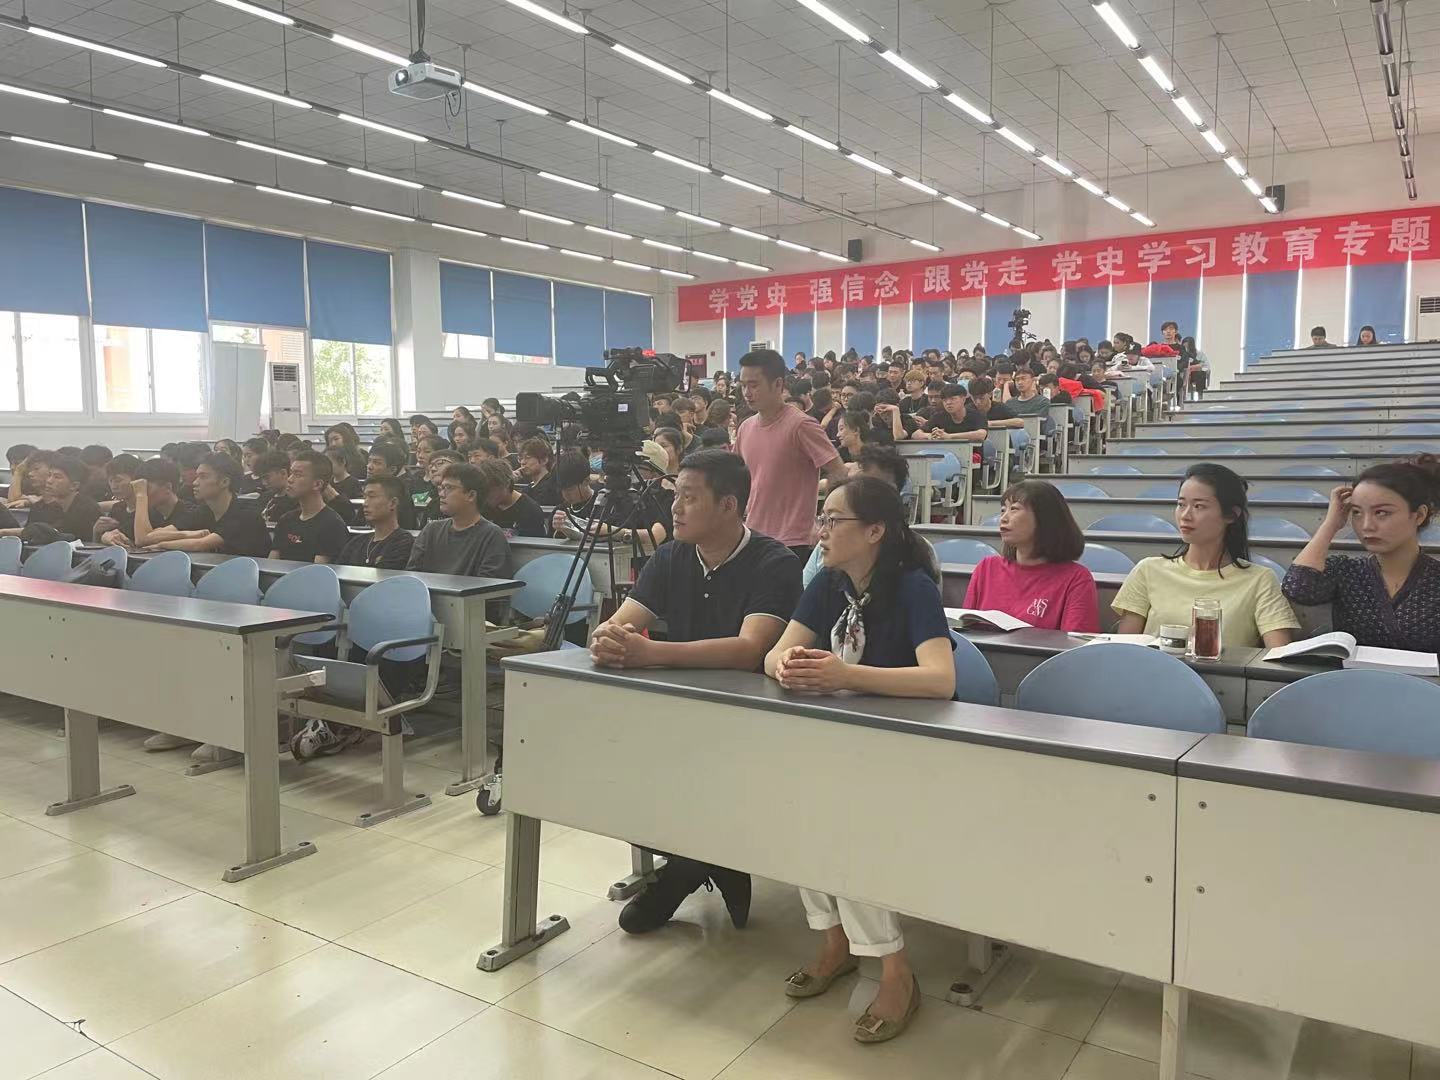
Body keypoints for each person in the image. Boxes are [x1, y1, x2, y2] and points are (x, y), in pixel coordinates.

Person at [764, 476, 953, 1045]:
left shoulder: (913, 587)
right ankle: (835, 942)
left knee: (844, 824)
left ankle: (896, 971)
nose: (820, 531)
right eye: (821, 519)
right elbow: (775, 653)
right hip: (843, 742)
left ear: (874, 531)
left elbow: (940, 680)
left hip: (908, 747)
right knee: (795, 810)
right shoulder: (828, 584)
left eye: (833, 520)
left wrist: (846, 675)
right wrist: (787, 664)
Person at [590, 450, 801, 933]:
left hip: (754, 715)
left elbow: (749, 650)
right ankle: (707, 861)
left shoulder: (774, 561)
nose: (675, 508)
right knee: (622, 770)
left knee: (692, 774)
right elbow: (622, 622)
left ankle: (687, 870)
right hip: (680, 708)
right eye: (675, 496)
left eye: (689, 497)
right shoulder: (671, 556)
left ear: (728, 505)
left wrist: (650, 653)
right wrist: (608, 638)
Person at [1113, 462, 1299, 648]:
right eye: (1181, 504)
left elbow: (1278, 653)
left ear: (1231, 515)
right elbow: (1125, 649)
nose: (1185, 515)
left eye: (1199, 506)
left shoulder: (1260, 580)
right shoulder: (1148, 570)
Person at [1282, 458, 1440, 651]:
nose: (1366, 526)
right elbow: (1298, 588)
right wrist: (1331, 524)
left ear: (1419, 515)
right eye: (1356, 512)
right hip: (1354, 671)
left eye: (1381, 513)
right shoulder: (1346, 571)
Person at [734, 349, 847, 561]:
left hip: (794, 541)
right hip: (753, 537)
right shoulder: (745, 428)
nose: (747, 393)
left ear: (778, 384)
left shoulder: (801, 425)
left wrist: (826, 520)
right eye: (743, 385)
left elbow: (838, 471)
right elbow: (739, 478)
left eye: (754, 385)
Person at [963, 481, 1099, 632]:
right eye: (1003, 510)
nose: (1003, 518)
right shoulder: (987, 568)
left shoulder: (1076, 578)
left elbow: (1076, 643)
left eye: (1014, 509)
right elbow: (965, 629)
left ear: (1044, 517)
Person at [139, 453, 273, 557]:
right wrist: (187, 534)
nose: (195, 483)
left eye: (203, 477)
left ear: (224, 482)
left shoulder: (246, 514)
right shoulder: (204, 511)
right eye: (197, 476)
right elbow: (147, 538)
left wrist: (160, 545)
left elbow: (200, 544)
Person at [408, 463, 513, 577]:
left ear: (471, 495)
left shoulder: (491, 535)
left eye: (449, 488)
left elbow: (489, 583)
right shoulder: (431, 530)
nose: (441, 494)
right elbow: (413, 574)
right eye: (441, 488)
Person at [269, 452, 350, 564]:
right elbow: (272, 565)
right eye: (291, 473)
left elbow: (317, 571)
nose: (290, 479)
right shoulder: (286, 520)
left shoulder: (332, 525)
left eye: (298, 475)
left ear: (317, 484)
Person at [3, 455, 101, 541]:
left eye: (57, 477)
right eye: (49, 475)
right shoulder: (40, 506)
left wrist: (4, 532)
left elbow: (63, 535)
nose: (49, 481)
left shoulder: (87, 508)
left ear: (74, 486)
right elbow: (29, 534)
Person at [338, 476, 415, 569]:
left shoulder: (404, 542)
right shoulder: (356, 542)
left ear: (393, 503)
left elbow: (385, 575)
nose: (365, 503)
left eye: (372, 496)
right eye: (364, 497)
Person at [123, 457, 197, 549]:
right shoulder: (150, 513)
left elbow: (142, 540)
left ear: (168, 487)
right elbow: (122, 533)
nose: (141, 493)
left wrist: (141, 496)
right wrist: (109, 536)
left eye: (146, 488)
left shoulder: (190, 513)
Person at [475, 458, 548, 538]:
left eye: (489, 490)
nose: (485, 495)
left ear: (505, 484)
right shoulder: (481, 506)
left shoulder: (530, 511)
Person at [367, 442, 419, 529]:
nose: (369, 466)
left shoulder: (402, 491)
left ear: (392, 470)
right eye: (369, 461)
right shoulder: (371, 486)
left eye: (377, 463)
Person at [517, 437, 561, 506]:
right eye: (521, 458)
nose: (522, 462)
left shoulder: (550, 488)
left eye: (528, 457)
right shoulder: (529, 488)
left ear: (544, 460)